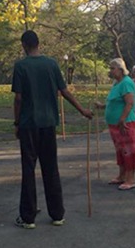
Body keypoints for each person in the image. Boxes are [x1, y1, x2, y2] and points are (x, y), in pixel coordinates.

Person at [11, 30, 93, 229]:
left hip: (29, 124)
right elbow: (64, 91)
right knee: (51, 168)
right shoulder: (52, 64)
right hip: (48, 123)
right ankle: (57, 214)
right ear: (38, 44)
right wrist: (82, 110)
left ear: (24, 45)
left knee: (28, 170)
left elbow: (19, 98)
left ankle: (28, 217)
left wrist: (17, 122)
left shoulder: (21, 66)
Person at [96, 59, 135, 190]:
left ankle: (130, 179)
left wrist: (122, 119)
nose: (110, 71)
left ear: (120, 69)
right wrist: (102, 106)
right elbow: (115, 102)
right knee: (120, 150)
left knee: (128, 151)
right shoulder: (116, 83)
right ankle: (121, 175)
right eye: (110, 68)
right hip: (114, 123)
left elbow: (129, 103)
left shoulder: (126, 83)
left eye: (113, 68)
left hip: (125, 123)